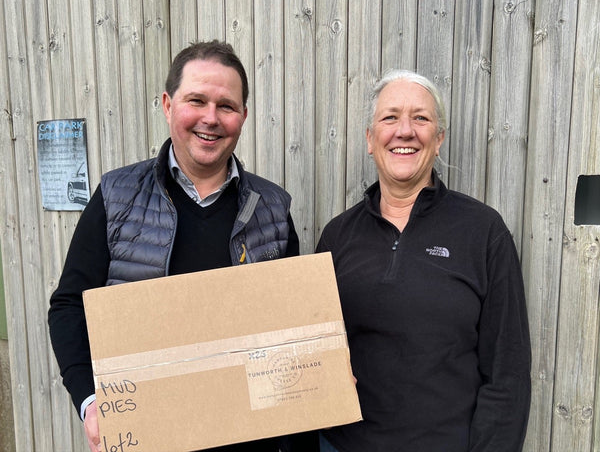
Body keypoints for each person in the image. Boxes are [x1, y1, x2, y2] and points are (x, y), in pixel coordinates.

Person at [48, 40, 301, 452]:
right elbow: (69, 306)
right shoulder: (117, 196)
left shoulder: (272, 207)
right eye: (196, 100)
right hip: (147, 435)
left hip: (249, 437)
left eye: (227, 106)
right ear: (167, 105)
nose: (211, 119)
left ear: (244, 116)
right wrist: (89, 401)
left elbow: (294, 325)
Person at [315, 70, 531, 451]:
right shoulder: (338, 237)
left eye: (421, 118)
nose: (405, 130)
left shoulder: (483, 232)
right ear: (370, 139)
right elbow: (311, 355)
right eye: (390, 117)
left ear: (439, 138)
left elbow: (507, 371)